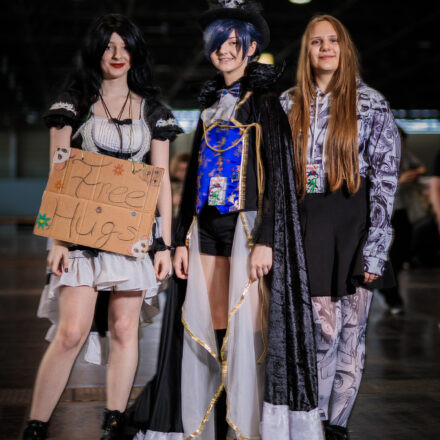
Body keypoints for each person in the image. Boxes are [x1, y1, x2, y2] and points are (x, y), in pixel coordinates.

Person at [130, 1, 322, 440]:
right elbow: (192, 179)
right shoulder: (210, 106)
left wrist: (268, 239)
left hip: (247, 232)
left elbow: (280, 178)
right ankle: (214, 421)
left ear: (251, 48)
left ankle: (248, 423)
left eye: (234, 43)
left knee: (249, 331)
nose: (224, 50)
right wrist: (180, 239)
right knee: (211, 326)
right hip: (206, 231)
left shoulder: (266, 105)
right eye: (218, 43)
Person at [23, 14, 181, 440]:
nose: (117, 54)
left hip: (132, 236)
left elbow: (160, 182)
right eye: (110, 46)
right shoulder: (72, 106)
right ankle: (36, 424)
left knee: (125, 329)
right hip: (78, 235)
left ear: (135, 53)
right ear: (97, 51)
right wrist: (56, 240)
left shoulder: (154, 111)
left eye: (125, 46)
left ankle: (114, 421)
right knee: (71, 331)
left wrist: (165, 245)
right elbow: (58, 174)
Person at [280, 14, 400, 440]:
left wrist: (376, 248)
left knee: (351, 333)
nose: (326, 48)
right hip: (310, 224)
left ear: (345, 48)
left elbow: (386, 180)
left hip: (357, 224)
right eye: (317, 42)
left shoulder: (372, 104)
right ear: (307, 50)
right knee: (322, 331)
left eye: (333, 40)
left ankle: (337, 427)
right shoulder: (288, 103)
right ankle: (312, 422)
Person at [377, 127, 426, 315]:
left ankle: (389, 291)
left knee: (401, 252)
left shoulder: (404, 155)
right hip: (385, 211)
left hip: (402, 209)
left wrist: (414, 174)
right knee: (391, 256)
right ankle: (392, 296)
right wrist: (400, 181)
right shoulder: (378, 156)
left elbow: (420, 166)